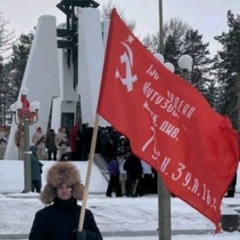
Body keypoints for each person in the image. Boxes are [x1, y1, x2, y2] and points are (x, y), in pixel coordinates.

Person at [29, 162, 103, 240]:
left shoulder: (84, 214)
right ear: (54, 189)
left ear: (74, 188)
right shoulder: (43, 215)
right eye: (60, 187)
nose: (64, 190)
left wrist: (86, 235)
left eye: (68, 186)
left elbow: (98, 238)